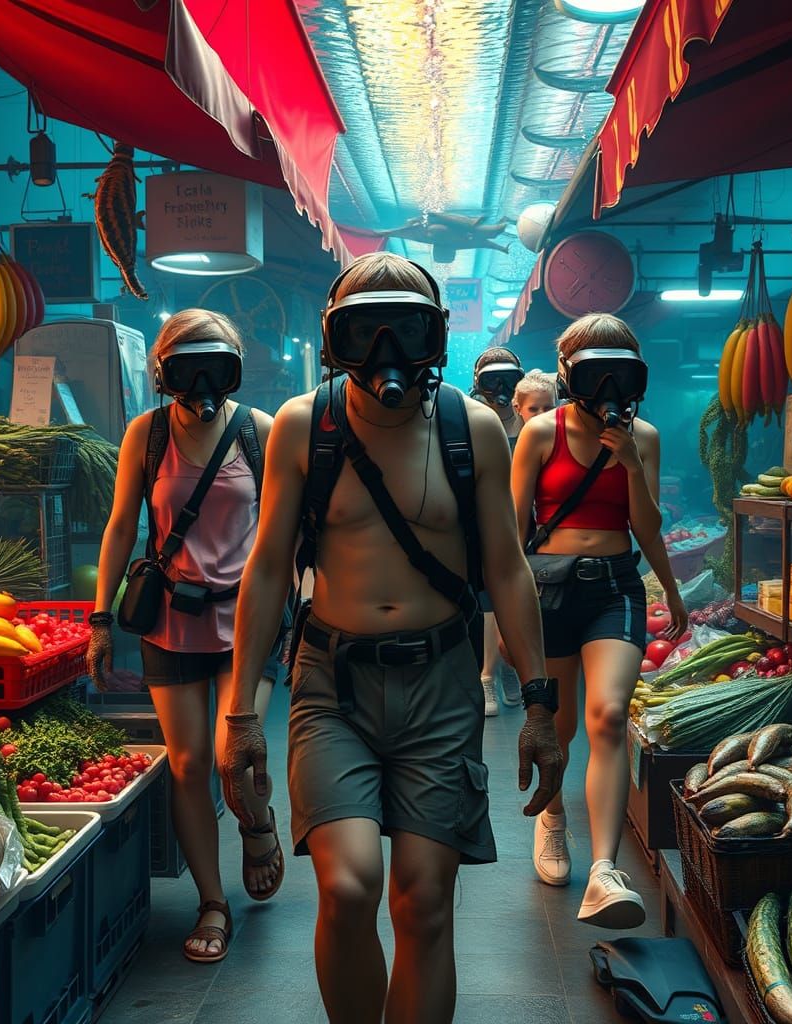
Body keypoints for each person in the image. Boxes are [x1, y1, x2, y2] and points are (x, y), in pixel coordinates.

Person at [220, 252, 562, 1024]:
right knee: (345, 889)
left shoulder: (472, 430)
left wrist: (538, 705)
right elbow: (269, 565)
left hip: (439, 686)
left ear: (434, 339)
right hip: (329, 685)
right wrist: (240, 713)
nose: (386, 356)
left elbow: (508, 571)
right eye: (362, 333)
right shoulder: (306, 427)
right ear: (334, 341)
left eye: (404, 331)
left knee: (425, 901)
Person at [87, 309, 284, 964]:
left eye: (215, 367)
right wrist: (100, 618)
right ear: (163, 375)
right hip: (170, 622)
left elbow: (288, 527)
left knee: (235, 752)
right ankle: (213, 901)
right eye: (186, 369)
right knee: (188, 763)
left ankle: (257, 826)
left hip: (245, 622)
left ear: (234, 369)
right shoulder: (146, 435)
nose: (202, 384)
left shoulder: (259, 431)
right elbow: (120, 527)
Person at [510, 313, 687, 927]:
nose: (610, 389)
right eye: (596, 374)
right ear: (569, 374)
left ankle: (604, 871)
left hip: (615, 585)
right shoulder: (538, 433)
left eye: (622, 374)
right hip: (548, 590)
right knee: (557, 725)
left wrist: (633, 467)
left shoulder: (647, 437)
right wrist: (505, 621)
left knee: (608, 714)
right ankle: (553, 819)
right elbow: (512, 535)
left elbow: (647, 527)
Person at [471, 347, 526, 715]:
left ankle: (511, 665)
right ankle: (487, 675)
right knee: (488, 600)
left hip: (526, 522)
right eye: (493, 381)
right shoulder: (472, 420)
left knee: (521, 595)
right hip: (481, 519)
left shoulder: (530, 424)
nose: (501, 389)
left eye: (508, 380)